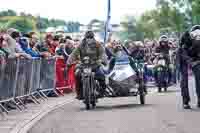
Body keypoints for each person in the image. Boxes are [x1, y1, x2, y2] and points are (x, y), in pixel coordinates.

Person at [67, 31, 106, 99]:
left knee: (101, 75)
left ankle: (102, 92)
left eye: (91, 37)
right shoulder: (81, 45)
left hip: (95, 64)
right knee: (77, 74)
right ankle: (79, 93)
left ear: (93, 38)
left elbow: (102, 53)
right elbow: (74, 54)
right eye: (88, 37)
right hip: (83, 65)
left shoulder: (98, 44)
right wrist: (69, 62)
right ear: (85, 38)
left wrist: (101, 60)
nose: (89, 39)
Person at [179, 25, 200, 109]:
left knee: (199, 77)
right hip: (183, 58)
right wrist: (190, 62)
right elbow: (183, 53)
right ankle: (185, 101)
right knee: (184, 80)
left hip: (195, 58)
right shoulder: (185, 38)